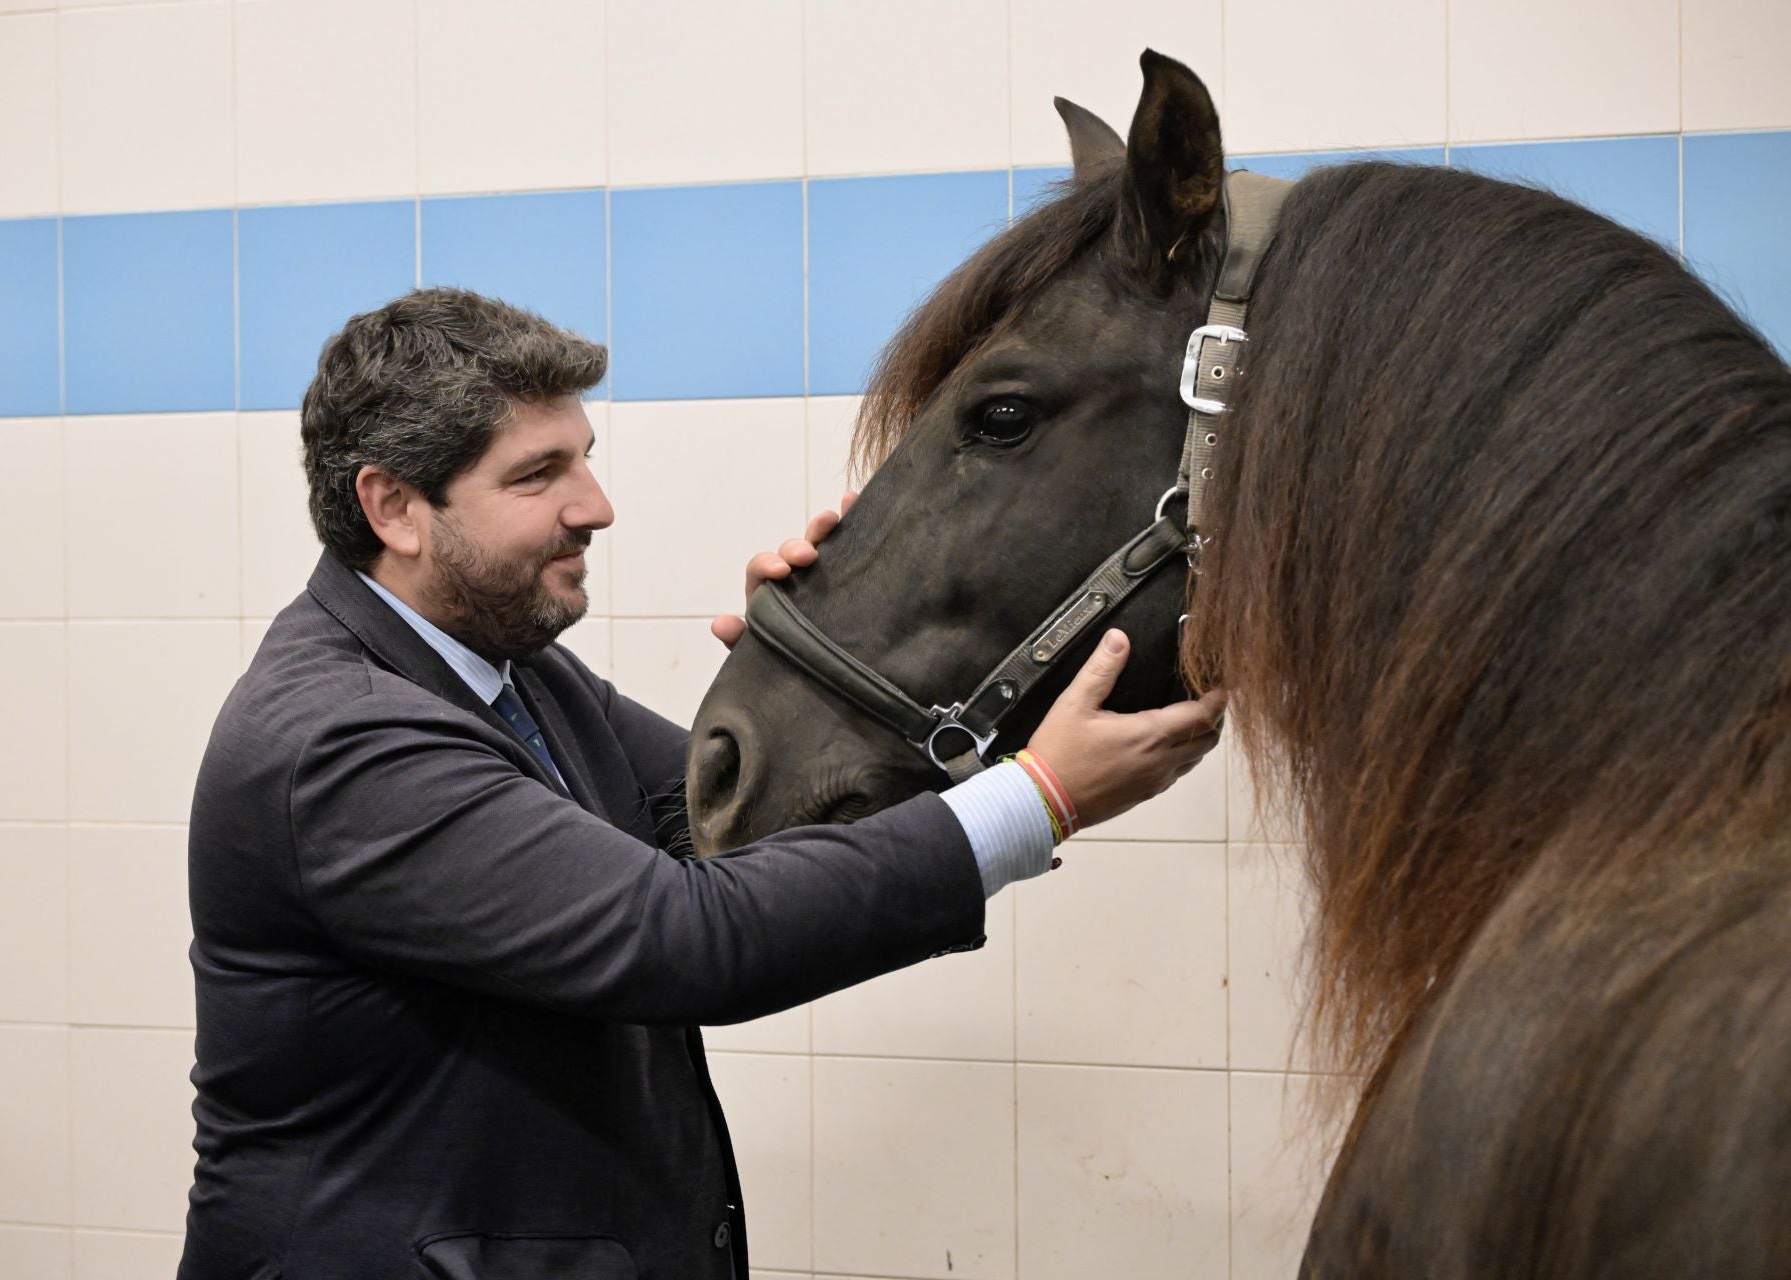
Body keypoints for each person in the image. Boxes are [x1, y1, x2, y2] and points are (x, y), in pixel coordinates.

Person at [178, 287, 1225, 1280]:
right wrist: (1041, 796)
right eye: (538, 474)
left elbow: (727, 830)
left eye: (585, 459)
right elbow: (687, 937)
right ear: (395, 505)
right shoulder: (341, 739)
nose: (596, 506)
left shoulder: (514, 672)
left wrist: (810, 667)